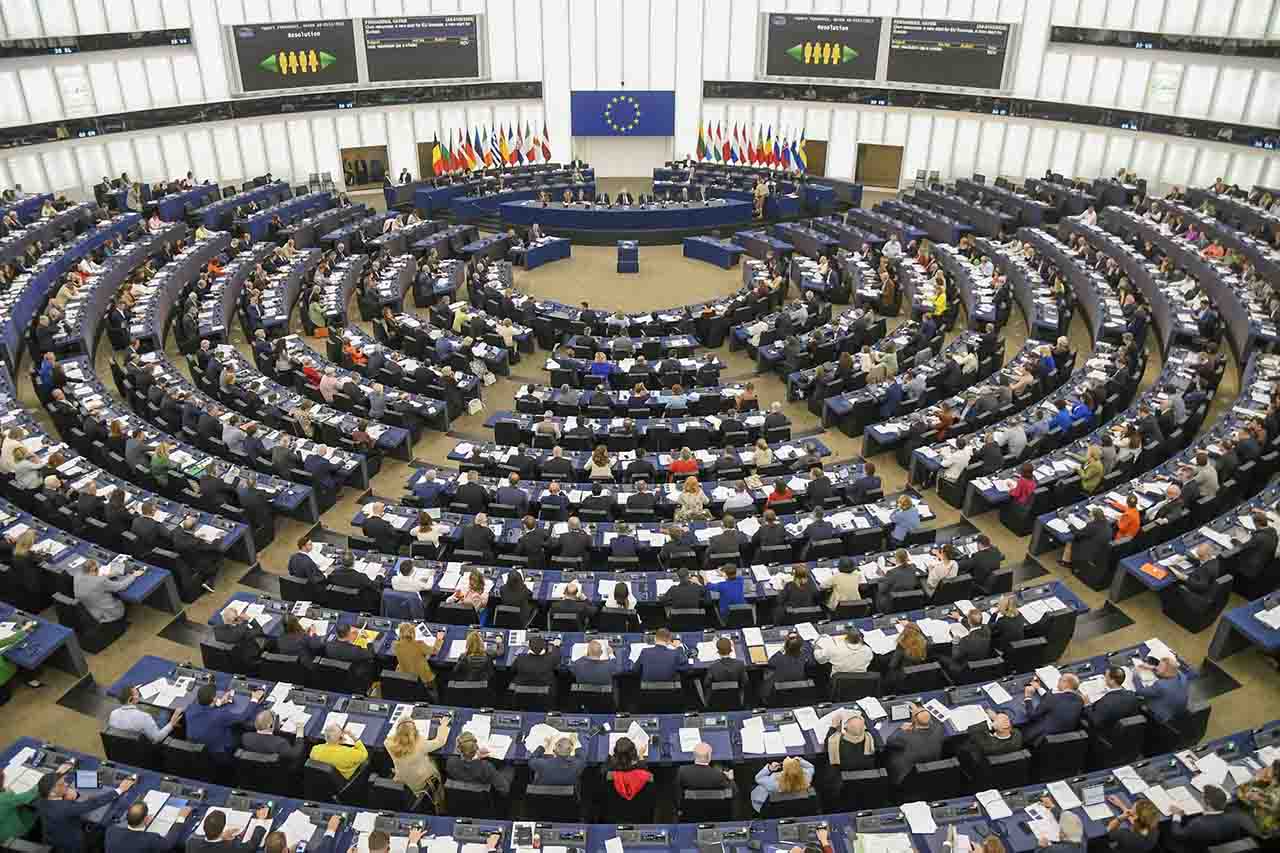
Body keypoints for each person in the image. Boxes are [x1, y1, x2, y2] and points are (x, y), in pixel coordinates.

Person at [37, 770, 136, 853]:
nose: (67, 784)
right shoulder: (65, 808)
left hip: (51, 842)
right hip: (73, 847)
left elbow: (50, 787)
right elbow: (93, 803)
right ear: (53, 792)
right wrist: (119, 790)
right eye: (62, 784)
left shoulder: (42, 799)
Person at [185, 682, 265, 765]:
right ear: (214, 699)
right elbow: (242, 717)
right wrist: (254, 699)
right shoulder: (220, 715)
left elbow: (205, 710)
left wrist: (219, 703)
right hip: (221, 751)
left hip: (198, 750)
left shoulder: (191, 708)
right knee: (242, 730)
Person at [385, 714, 452, 809]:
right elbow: (440, 741)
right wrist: (443, 725)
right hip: (425, 781)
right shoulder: (420, 744)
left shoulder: (388, 743)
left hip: (405, 782)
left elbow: (395, 738)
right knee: (435, 760)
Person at [883, 704, 945, 785]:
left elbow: (889, 741)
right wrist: (920, 712)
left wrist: (901, 729)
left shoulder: (904, 736)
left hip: (906, 778)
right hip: (931, 772)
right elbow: (933, 722)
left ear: (914, 720)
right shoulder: (939, 729)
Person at [72, 559, 144, 625]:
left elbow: (92, 580)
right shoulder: (100, 581)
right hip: (109, 614)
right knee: (120, 597)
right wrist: (134, 575)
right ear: (94, 569)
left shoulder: (77, 575)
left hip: (92, 612)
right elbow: (121, 586)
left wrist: (109, 575)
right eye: (98, 569)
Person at [1020, 672, 1084, 746]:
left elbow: (1032, 715)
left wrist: (1028, 697)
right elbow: (1055, 701)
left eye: (1060, 679)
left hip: (1041, 738)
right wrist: (1039, 688)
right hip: (1065, 740)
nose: (1058, 681)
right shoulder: (1080, 700)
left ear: (1065, 683)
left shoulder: (1053, 698)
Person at [107, 683, 182, 743]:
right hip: (146, 750)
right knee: (165, 713)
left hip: (124, 748)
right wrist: (171, 723)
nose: (139, 695)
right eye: (137, 694)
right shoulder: (144, 717)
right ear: (130, 699)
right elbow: (157, 738)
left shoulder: (113, 714)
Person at [447, 731, 514, 798]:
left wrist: (476, 756)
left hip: (460, 797)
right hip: (482, 796)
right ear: (476, 747)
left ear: (458, 749)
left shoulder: (450, 762)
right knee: (509, 768)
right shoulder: (486, 767)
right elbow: (505, 789)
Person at [186, 806, 272, 852]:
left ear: (204, 827)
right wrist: (260, 820)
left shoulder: (191, 843)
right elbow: (252, 845)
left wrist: (221, 836)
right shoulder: (231, 849)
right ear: (223, 827)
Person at [240, 709, 307, 769]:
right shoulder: (280, 743)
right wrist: (299, 735)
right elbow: (295, 754)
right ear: (271, 725)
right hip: (277, 771)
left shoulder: (245, 737)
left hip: (253, 769)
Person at [393, 622, 444, 696]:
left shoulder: (396, 645)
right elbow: (434, 651)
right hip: (423, 678)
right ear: (413, 633)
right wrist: (439, 639)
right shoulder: (419, 644)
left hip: (406, 676)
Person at [1134, 656, 1188, 722]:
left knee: (1135, 698)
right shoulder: (1182, 676)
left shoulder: (1161, 685)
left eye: (1160, 667)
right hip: (1177, 712)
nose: (1157, 667)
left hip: (1160, 716)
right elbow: (1169, 671)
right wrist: (1152, 668)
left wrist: (1136, 675)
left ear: (1167, 671)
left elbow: (1139, 691)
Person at [607, 736, 653, 802]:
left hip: (613, 809)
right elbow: (643, 771)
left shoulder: (609, 775)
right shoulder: (646, 776)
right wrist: (641, 757)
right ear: (633, 755)